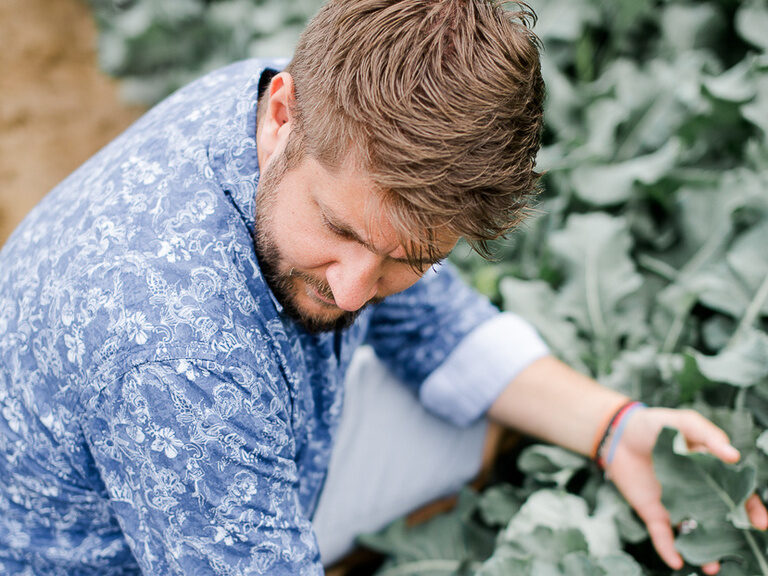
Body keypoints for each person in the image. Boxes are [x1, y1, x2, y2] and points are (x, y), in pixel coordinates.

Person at [0, 0, 765, 574]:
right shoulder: (176, 357)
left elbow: (432, 325)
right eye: (340, 233)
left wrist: (615, 427)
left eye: (409, 259)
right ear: (283, 115)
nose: (358, 291)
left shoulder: (306, 119)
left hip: (238, 445)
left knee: (496, 420)